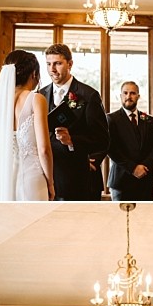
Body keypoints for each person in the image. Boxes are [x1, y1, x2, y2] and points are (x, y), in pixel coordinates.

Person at [38, 44, 109, 200]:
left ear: (70, 64)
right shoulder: (40, 95)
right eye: (48, 64)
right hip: (48, 177)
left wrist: (72, 141)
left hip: (81, 179)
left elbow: (103, 139)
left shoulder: (89, 95)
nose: (52, 69)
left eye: (57, 63)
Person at [0, 50, 54, 201]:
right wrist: (50, 183)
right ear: (34, 74)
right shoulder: (36, 99)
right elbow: (44, 150)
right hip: (32, 177)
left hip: (3, 178)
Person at [106, 81, 153, 201]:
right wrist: (133, 168)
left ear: (138, 96)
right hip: (121, 181)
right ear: (120, 96)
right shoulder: (111, 119)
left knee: (145, 219)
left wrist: (145, 166)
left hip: (145, 180)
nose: (128, 96)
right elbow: (111, 148)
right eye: (125, 93)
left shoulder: (149, 120)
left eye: (132, 93)